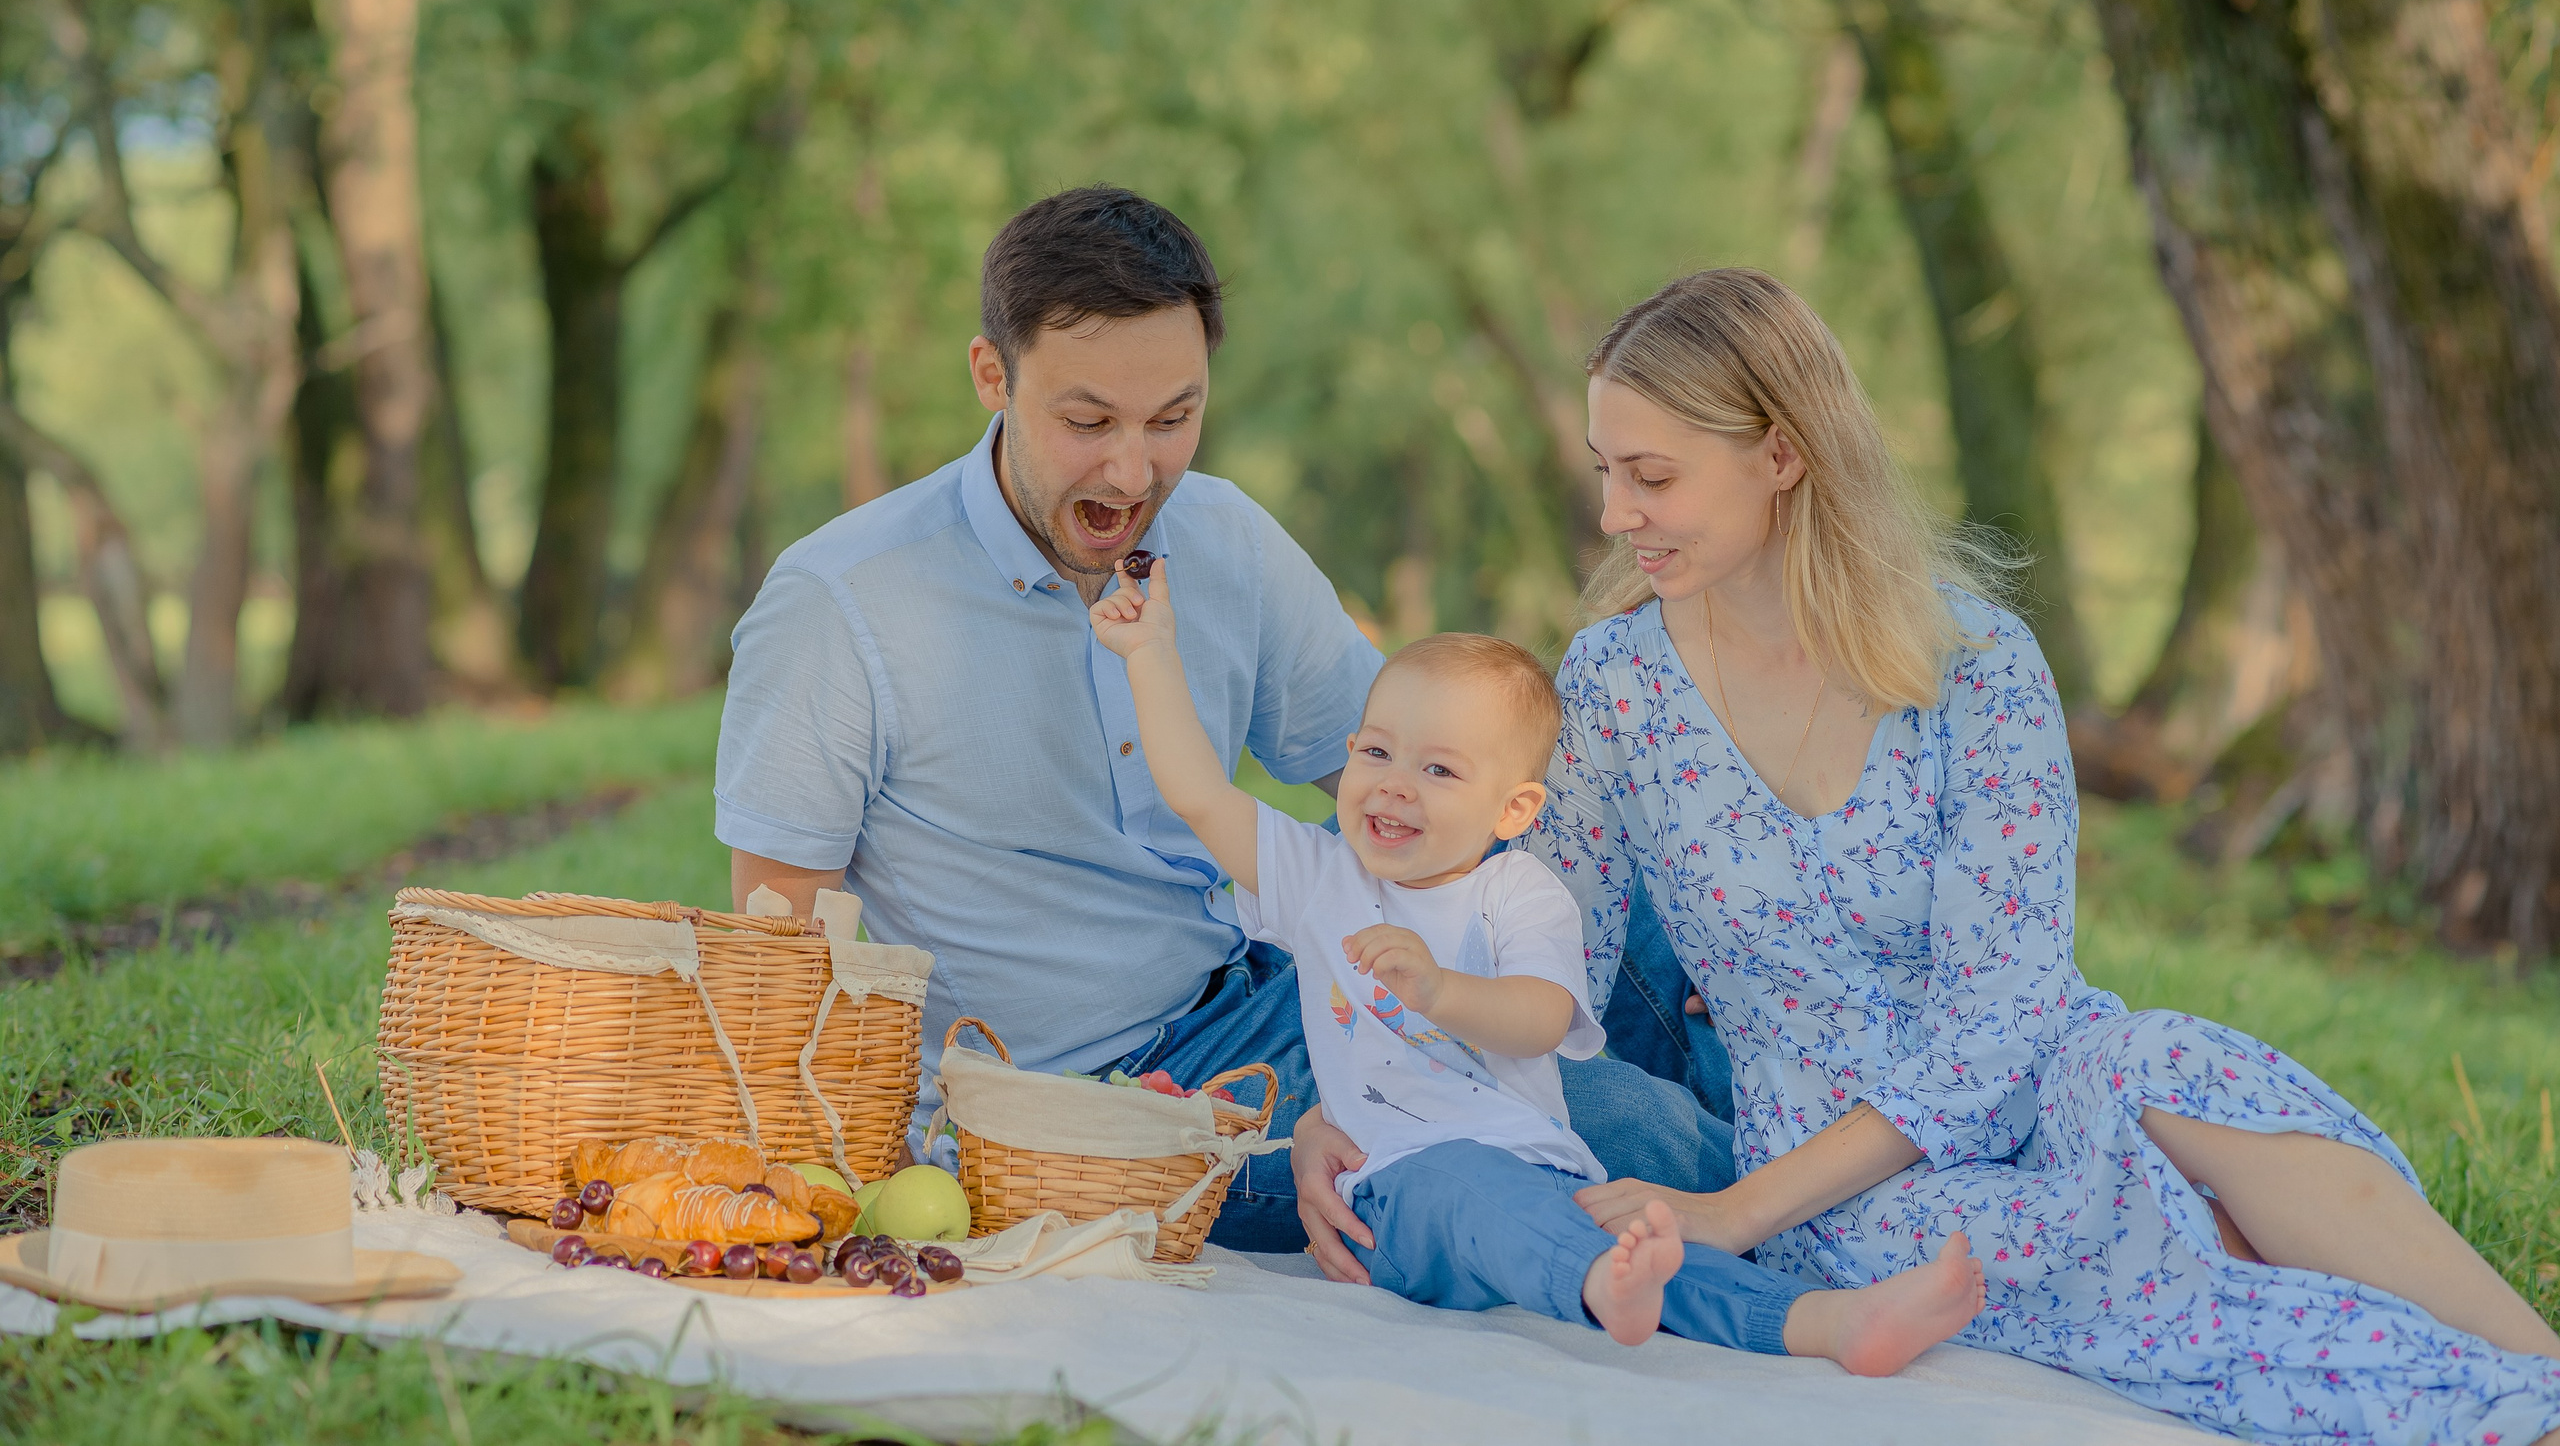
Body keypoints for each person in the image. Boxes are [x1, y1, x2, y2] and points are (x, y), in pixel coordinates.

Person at [1297, 266, 2560, 1442]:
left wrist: (1723, 1219)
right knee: (2107, 1244)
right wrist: (1354, 1099)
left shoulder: (1974, 662)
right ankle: (2499, 1412)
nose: (1616, 513)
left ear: (1781, 453)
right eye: (1606, 470)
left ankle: (2539, 1367)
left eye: (1652, 476)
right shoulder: (1617, 684)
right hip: (1830, 1163)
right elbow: (1522, 945)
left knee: (2177, 1060)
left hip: (2037, 1062)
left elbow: (2010, 1009)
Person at [713, 185, 1733, 1251]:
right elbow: (775, 953)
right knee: (1623, 1123)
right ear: (991, 376)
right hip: (1112, 1098)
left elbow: (1412, 775)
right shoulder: (842, 600)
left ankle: (1821, 1116)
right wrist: (825, 1185)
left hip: (1280, 978)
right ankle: (1792, 1212)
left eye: (1173, 419)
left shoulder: (1223, 536)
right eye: (1086, 419)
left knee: (1631, 907)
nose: (1132, 469)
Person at [1091, 569, 1987, 1365]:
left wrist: (1440, 990)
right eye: (1374, 751)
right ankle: (1609, 1288)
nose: (1392, 782)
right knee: (1486, 1196)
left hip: (1545, 1166)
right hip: (1398, 1190)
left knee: (1644, 1237)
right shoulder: (1320, 878)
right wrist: (1149, 651)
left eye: (1438, 768)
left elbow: (1543, 1019)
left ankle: (1822, 1323)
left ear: (1514, 807)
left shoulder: (1518, 893)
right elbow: (1198, 792)